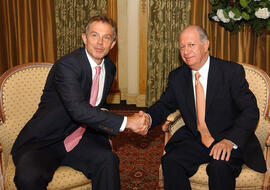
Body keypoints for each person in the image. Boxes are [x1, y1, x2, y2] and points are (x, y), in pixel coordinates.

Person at [11, 15, 148, 190]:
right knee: (28, 177)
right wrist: (127, 122)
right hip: (46, 140)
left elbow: (94, 105)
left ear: (113, 44)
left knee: (108, 160)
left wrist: (104, 133)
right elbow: (78, 109)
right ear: (84, 38)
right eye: (94, 35)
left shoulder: (109, 68)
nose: (100, 42)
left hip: (79, 137)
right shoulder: (67, 66)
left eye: (106, 37)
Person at [145, 25, 266, 190]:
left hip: (227, 138)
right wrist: (147, 118)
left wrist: (230, 141)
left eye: (191, 45)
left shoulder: (230, 72)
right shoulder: (178, 77)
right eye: (182, 46)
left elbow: (250, 111)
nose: (186, 51)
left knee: (219, 167)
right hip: (196, 138)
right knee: (170, 161)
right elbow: (163, 105)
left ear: (206, 45)